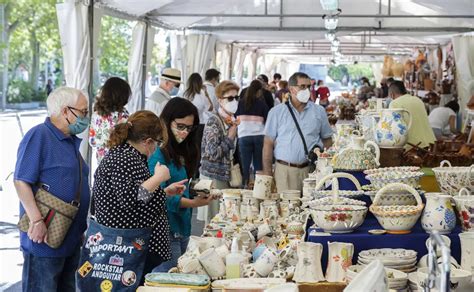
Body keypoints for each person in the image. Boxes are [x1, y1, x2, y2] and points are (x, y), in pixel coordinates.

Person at [92, 110, 187, 278]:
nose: (157, 147)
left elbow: (137, 196)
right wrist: (158, 178)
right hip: (127, 246)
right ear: (148, 141)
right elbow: (129, 200)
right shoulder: (124, 158)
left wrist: (163, 191)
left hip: (132, 245)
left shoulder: (128, 155)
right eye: (157, 142)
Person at [14, 87, 91, 291]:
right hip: (45, 238)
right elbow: (21, 181)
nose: (86, 116)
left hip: (69, 238)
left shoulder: (70, 142)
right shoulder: (39, 135)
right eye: (83, 111)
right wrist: (36, 220)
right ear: (66, 111)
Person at [148, 98, 217, 272]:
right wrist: (193, 203)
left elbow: (183, 185)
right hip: (163, 229)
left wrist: (201, 190)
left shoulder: (183, 149)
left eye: (189, 127)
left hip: (182, 226)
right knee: (168, 279)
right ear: (166, 121)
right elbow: (159, 197)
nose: (185, 132)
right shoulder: (158, 154)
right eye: (180, 126)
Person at [262, 72, 333, 192]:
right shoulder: (276, 112)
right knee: (287, 208)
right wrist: (268, 173)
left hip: (312, 171)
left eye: (308, 87)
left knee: (312, 207)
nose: (307, 90)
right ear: (291, 89)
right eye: (302, 86)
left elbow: (327, 139)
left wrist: (323, 163)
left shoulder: (319, 111)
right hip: (285, 171)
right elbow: (268, 143)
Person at [198, 80, 240, 223]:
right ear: (220, 100)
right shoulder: (213, 121)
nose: (234, 101)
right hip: (213, 179)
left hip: (225, 177)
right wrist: (230, 138)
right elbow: (212, 152)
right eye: (230, 98)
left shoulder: (230, 121)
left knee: (225, 218)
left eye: (236, 97)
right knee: (214, 221)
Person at [234, 80, 269, 188]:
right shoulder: (262, 104)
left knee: (245, 164)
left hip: (244, 136)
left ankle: (245, 185)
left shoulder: (240, 103)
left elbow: (235, 117)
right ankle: (258, 187)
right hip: (259, 136)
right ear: (258, 91)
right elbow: (267, 119)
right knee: (258, 164)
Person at [89, 77, 130, 162]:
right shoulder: (122, 114)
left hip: (101, 161)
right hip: (118, 160)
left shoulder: (96, 113)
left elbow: (92, 141)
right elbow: (127, 139)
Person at [389, 81, 436, 148]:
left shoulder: (394, 103)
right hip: (430, 143)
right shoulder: (418, 100)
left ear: (392, 95)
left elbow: (394, 127)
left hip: (413, 147)